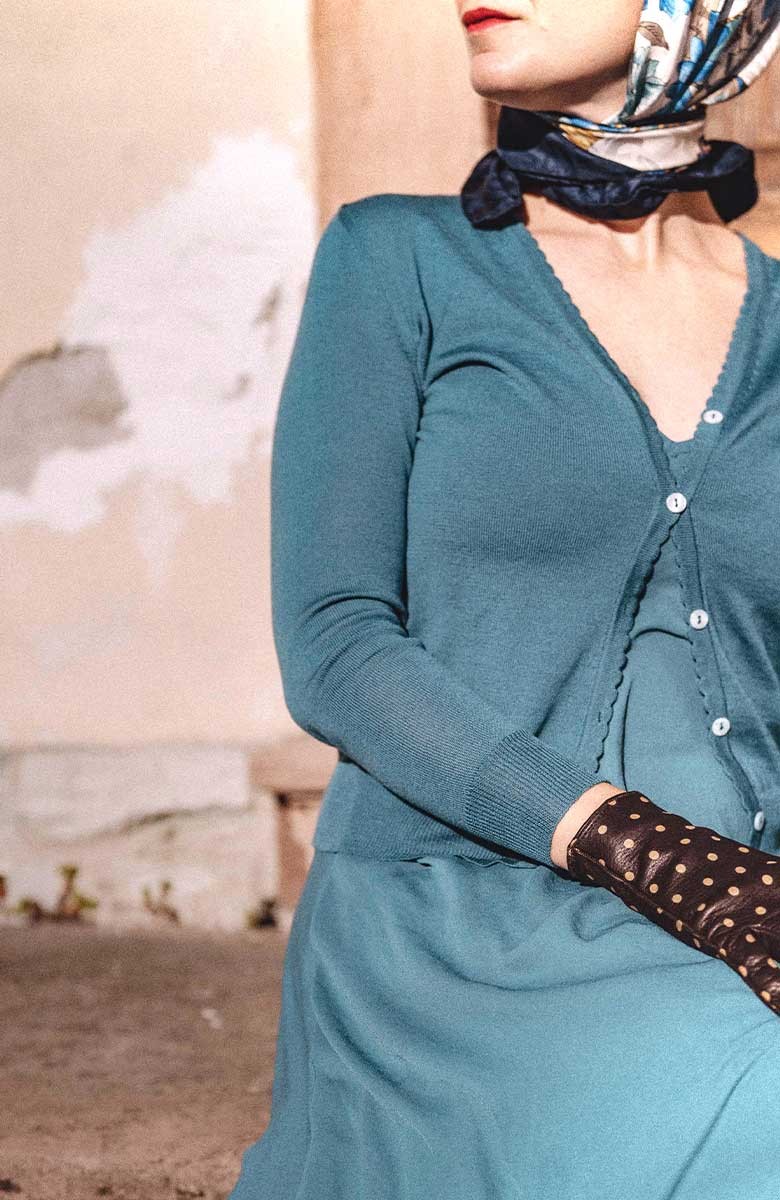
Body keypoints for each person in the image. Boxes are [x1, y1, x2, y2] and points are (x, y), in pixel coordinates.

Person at [227, 2, 780, 1196]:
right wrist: (650, 850)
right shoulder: (398, 258)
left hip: (759, 905)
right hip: (464, 912)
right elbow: (335, 643)